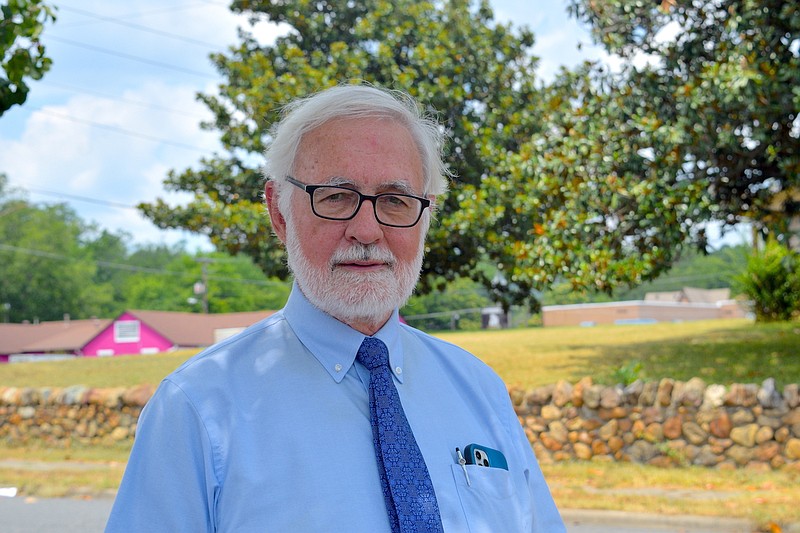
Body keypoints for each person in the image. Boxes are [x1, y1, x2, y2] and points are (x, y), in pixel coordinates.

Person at [105, 84, 565, 532]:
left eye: (395, 200)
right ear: (279, 212)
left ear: (427, 214)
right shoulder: (197, 408)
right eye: (335, 197)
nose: (366, 230)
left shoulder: (479, 389)